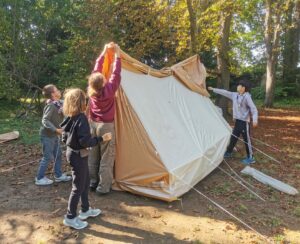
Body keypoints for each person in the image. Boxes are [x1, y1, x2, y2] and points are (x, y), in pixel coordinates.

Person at [60, 88, 112, 229]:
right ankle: (70, 217)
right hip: (78, 155)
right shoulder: (81, 118)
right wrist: (101, 138)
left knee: (85, 181)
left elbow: (64, 137)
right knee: (78, 187)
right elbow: (85, 141)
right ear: (81, 102)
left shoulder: (70, 116)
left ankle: (85, 209)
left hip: (74, 153)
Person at [87, 42, 121, 195]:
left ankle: (92, 183)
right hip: (106, 127)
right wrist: (117, 54)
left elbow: (97, 66)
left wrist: (104, 51)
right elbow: (116, 72)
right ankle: (103, 188)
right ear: (103, 81)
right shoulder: (110, 88)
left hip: (92, 125)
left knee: (93, 155)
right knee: (107, 157)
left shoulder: (91, 90)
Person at [208, 80, 258, 164]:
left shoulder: (247, 97)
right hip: (237, 121)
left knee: (247, 140)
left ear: (243, 88)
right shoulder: (235, 95)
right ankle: (229, 152)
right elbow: (225, 92)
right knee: (234, 137)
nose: (238, 86)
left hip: (244, 122)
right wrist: (213, 89)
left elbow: (253, 109)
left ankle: (251, 157)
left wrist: (255, 120)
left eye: (239, 85)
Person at [35, 84, 72, 186]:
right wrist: (55, 129)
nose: (59, 91)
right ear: (53, 94)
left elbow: (67, 103)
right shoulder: (51, 105)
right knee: (47, 157)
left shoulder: (58, 103)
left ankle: (58, 175)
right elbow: (45, 120)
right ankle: (39, 178)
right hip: (47, 136)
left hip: (55, 135)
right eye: (57, 90)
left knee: (58, 155)